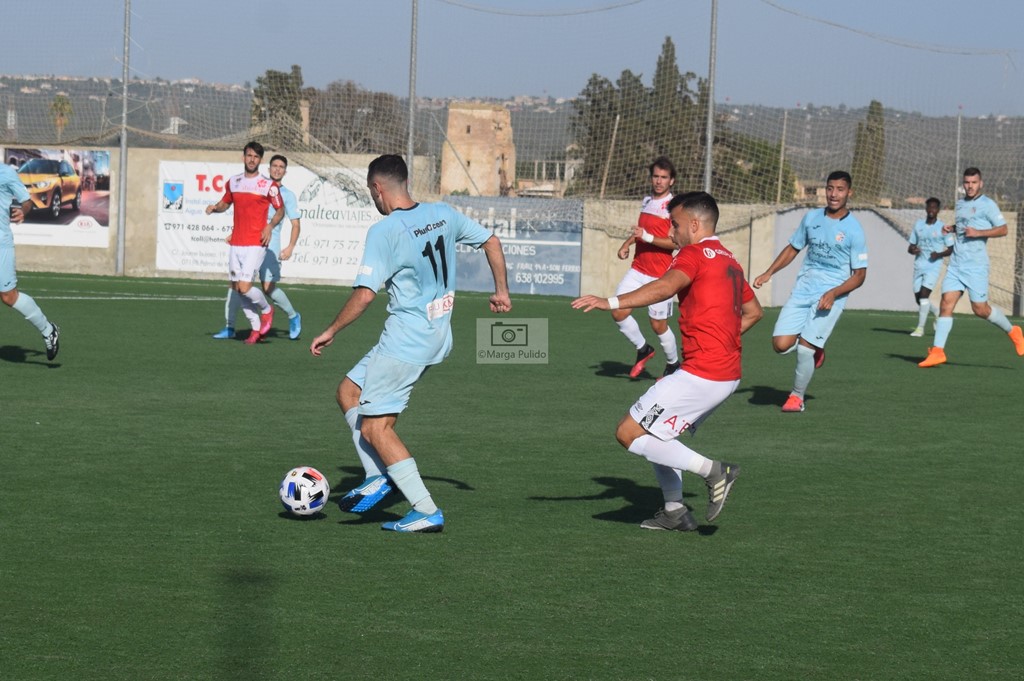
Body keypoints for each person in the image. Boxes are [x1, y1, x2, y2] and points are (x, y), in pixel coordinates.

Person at [310, 154, 511, 533]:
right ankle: (377, 475)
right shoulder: (442, 214)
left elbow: (365, 295)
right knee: (348, 392)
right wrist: (501, 291)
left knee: (376, 429)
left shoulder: (384, 231)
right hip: (438, 336)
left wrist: (332, 330)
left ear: (377, 189)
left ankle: (425, 508)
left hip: (406, 342)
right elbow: (492, 241)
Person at [572, 191, 762, 531]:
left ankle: (714, 471)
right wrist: (721, 342)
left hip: (703, 375)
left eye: (674, 224)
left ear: (694, 224)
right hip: (726, 373)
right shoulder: (729, 259)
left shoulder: (693, 253)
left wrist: (611, 301)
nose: (671, 231)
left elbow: (664, 287)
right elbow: (754, 312)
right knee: (656, 434)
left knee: (628, 433)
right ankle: (674, 510)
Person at [752, 170, 867, 413]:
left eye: (840, 189)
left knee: (804, 349)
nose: (834, 194)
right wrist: (769, 272)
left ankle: (796, 397)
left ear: (849, 193)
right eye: (830, 188)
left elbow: (859, 276)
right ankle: (816, 348)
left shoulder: (854, 230)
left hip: (831, 296)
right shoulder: (811, 217)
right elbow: (793, 248)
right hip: (803, 290)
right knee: (780, 345)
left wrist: (834, 293)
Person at [919, 167, 1024, 366]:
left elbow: (1003, 229)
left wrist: (978, 233)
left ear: (980, 183)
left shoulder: (988, 205)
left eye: (974, 182)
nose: (970, 186)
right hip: (956, 265)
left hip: (976, 267)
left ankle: (1013, 331)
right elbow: (964, 226)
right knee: (946, 303)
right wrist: (952, 228)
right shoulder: (960, 204)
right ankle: (938, 352)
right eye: (967, 182)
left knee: (980, 309)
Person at [213, 153, 302, 340]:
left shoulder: (288, 195)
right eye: (274, 166)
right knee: (236, 285)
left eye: (281, 167)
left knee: (268, 287)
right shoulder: (259, 187)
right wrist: (236, 233)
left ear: (285, 172)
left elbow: (295, 224)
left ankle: (293, 316)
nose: (277, 169)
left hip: (270, 247)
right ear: (268, 168)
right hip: (248, 241)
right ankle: (230, 327)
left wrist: (290, 247)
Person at [205, 141, 284, 345]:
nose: (252, 159)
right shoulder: (234, 182)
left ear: (260, 160)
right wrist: (215, 208)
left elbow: (280, 210)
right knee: (237, 288)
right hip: (236, 242)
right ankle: (255, 328)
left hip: (256, 242)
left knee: (245, 286)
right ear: (243, 157)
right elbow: (225, 203)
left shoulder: (268, 185)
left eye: (256, 157)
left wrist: (269, 226)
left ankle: (267, 309)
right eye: (249, 155)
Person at [612, 157, 680, 378]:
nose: (659, 181)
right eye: (656, 176)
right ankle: (643, 349)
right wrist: (626, 244)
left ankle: (673, 365)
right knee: (618, 311)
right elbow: (640, 232)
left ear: (671, 181)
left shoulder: (675, 207)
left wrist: (648, 237)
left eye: (664, 177)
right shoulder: (647, 201)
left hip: (661, 276)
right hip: (637, 269)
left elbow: (675, 243)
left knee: (658, 324)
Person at [1, 165, 60, 360]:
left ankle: (48, 330)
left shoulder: (6, 173)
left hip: (1, 244)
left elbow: (27, 202)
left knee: (8, 297)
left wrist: (23, 212)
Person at [907, 197, 952, 337]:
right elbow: (911, 246)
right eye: (929, 207)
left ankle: (920, 329)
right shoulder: (918, 225)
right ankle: (936, 311)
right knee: (919, 299)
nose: (931, 210)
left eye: (934, 207)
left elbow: (951, 249)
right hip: (919, 265)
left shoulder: (943, 228)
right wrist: (913, 250)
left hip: (933, 266)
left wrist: (938, 254)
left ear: (938, 210)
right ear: (926, 209)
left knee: (924, 296)